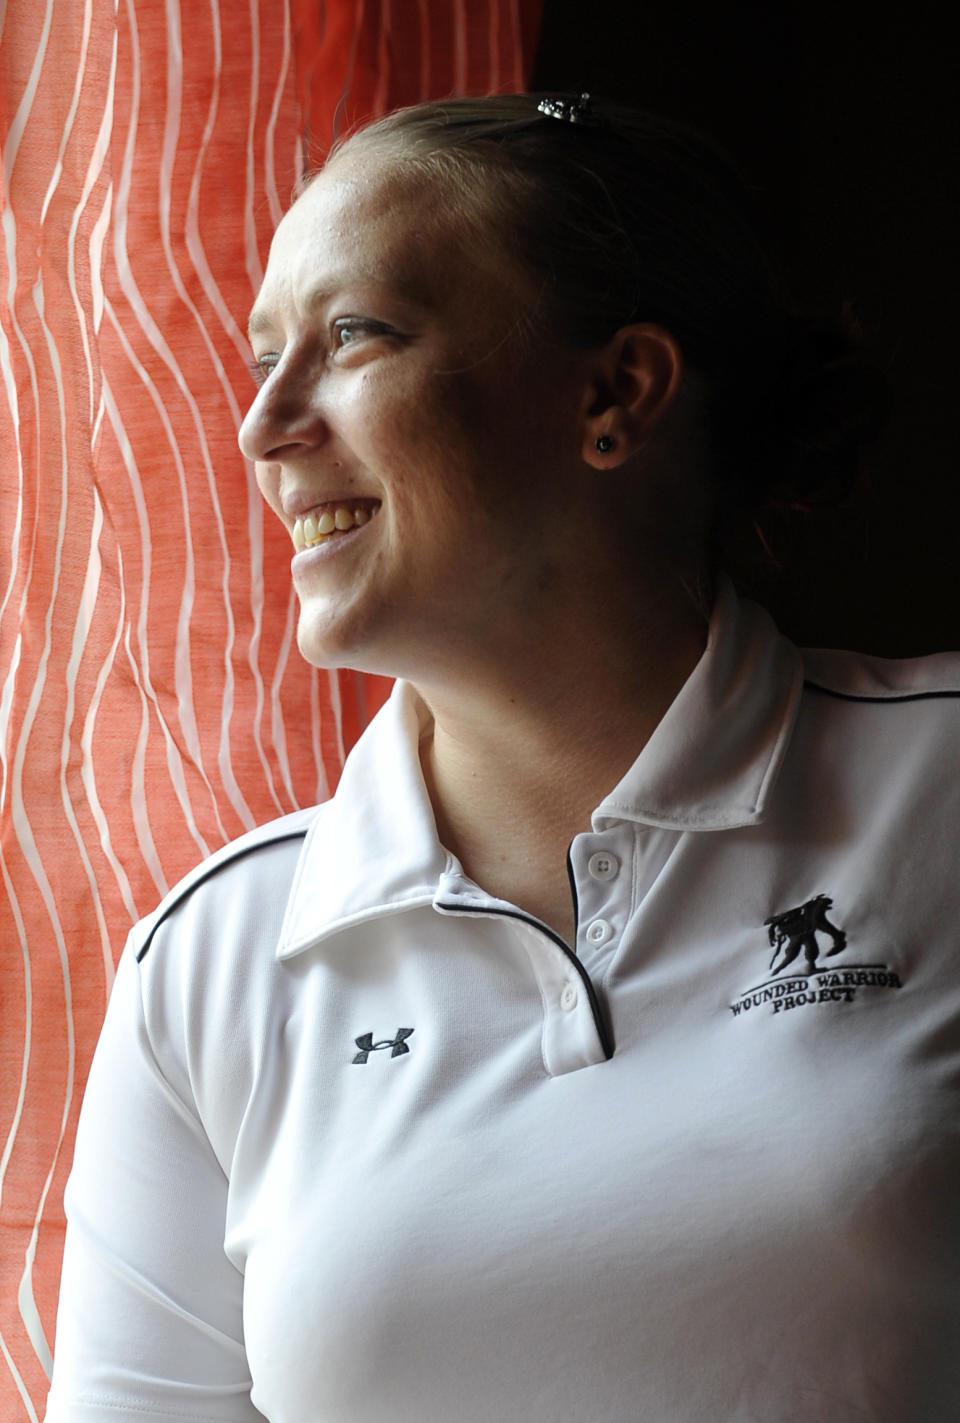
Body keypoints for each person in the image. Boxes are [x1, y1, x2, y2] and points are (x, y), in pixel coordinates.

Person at [46, 93, 960, 1423]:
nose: (263, 426)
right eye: (263, 359)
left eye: (353, 333)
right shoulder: (216, 959)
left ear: (614, 393)